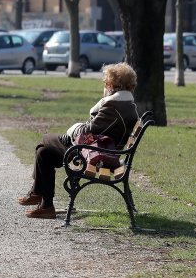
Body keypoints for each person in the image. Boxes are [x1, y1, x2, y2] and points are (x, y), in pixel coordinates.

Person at [17, 62, 139, 219]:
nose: (104, 85)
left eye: (105, 82)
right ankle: (45, 204)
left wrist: (74, 128)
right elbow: (98, 128)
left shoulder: (113, 106)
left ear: (112, 84)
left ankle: (39, 195)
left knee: (46, 139)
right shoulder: (127, 104)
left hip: (92, 154)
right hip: (101, 149)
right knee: (43, 152)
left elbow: (88, 130)